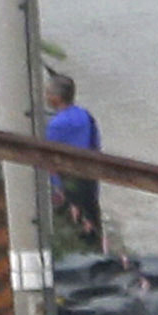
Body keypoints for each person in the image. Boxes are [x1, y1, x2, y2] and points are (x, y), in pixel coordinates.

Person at [38, 66, 107, 253]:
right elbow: (96, 144)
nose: (45, 97)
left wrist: (55, 187)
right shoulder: (85, 116)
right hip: (88, 178)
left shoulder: (55, 125)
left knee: (73, 228)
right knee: (91, 218)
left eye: (47, 93)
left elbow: (50, 159)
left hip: (67, 182)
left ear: (56, 98)